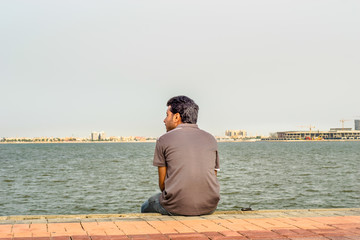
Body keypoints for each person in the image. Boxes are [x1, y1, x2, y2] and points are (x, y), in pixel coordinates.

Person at [141, 95, 220, 216]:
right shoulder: (211, 139)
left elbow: (163, 185)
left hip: (177, 207)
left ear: (176, 116)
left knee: (146, 205)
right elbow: (213, 177)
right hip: (209, 206)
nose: (164, 120)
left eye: (167, 115)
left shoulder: (163, 139)